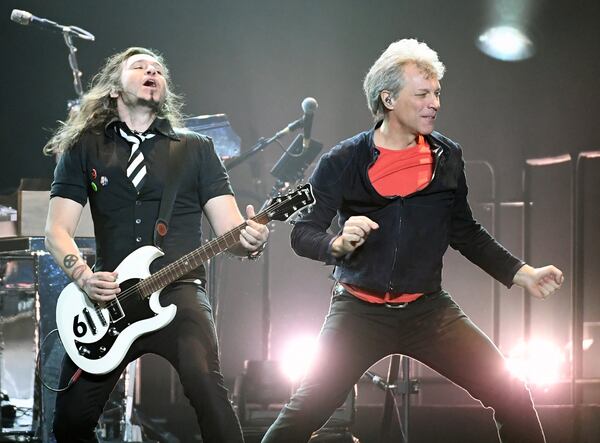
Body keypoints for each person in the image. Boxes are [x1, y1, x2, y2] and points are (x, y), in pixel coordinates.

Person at [261, 39, 563, 443]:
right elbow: (303, 232)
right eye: (422, 94)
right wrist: (334, 244)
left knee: (512, 394)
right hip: (359, 311)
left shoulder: (447, 156)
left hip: (428, 311)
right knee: (301, 414)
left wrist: (520, 272)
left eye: (437, 93)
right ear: (387, 98)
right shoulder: (344, 159)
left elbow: (464, 230)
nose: (433, 103)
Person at [44, 47, 268, 443]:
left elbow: (230, 229)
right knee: (70, 421)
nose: (153, 71)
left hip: (179, 290)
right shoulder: (85, 146)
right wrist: (83, 275)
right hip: (109, 297)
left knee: (205, 385)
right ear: (114, 88)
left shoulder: (196, 148)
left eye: (159, 69)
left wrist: (250, 239)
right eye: (140, 66)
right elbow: (56, 231)